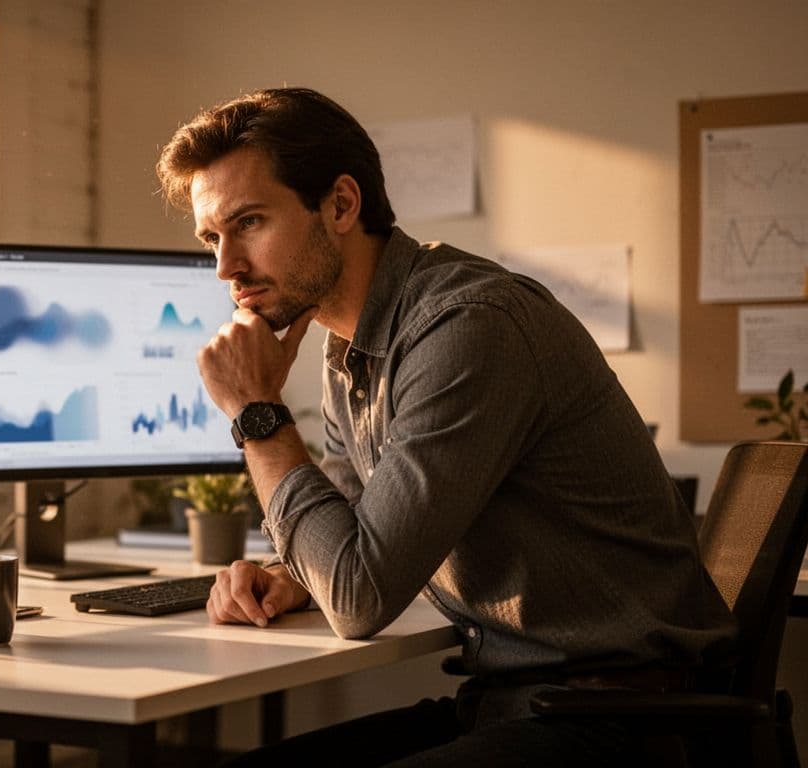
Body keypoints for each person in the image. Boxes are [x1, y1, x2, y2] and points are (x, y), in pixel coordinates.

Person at [155, 87, 736, 767]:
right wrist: (290, 574)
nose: (225, 267)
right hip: (514, 703)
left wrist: (257, 412)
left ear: (340, 205)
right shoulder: (350, 348)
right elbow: (348, 532)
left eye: (249, 223)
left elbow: (358, 597)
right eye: (212, 238)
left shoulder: (467, 327)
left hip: (620, 722)